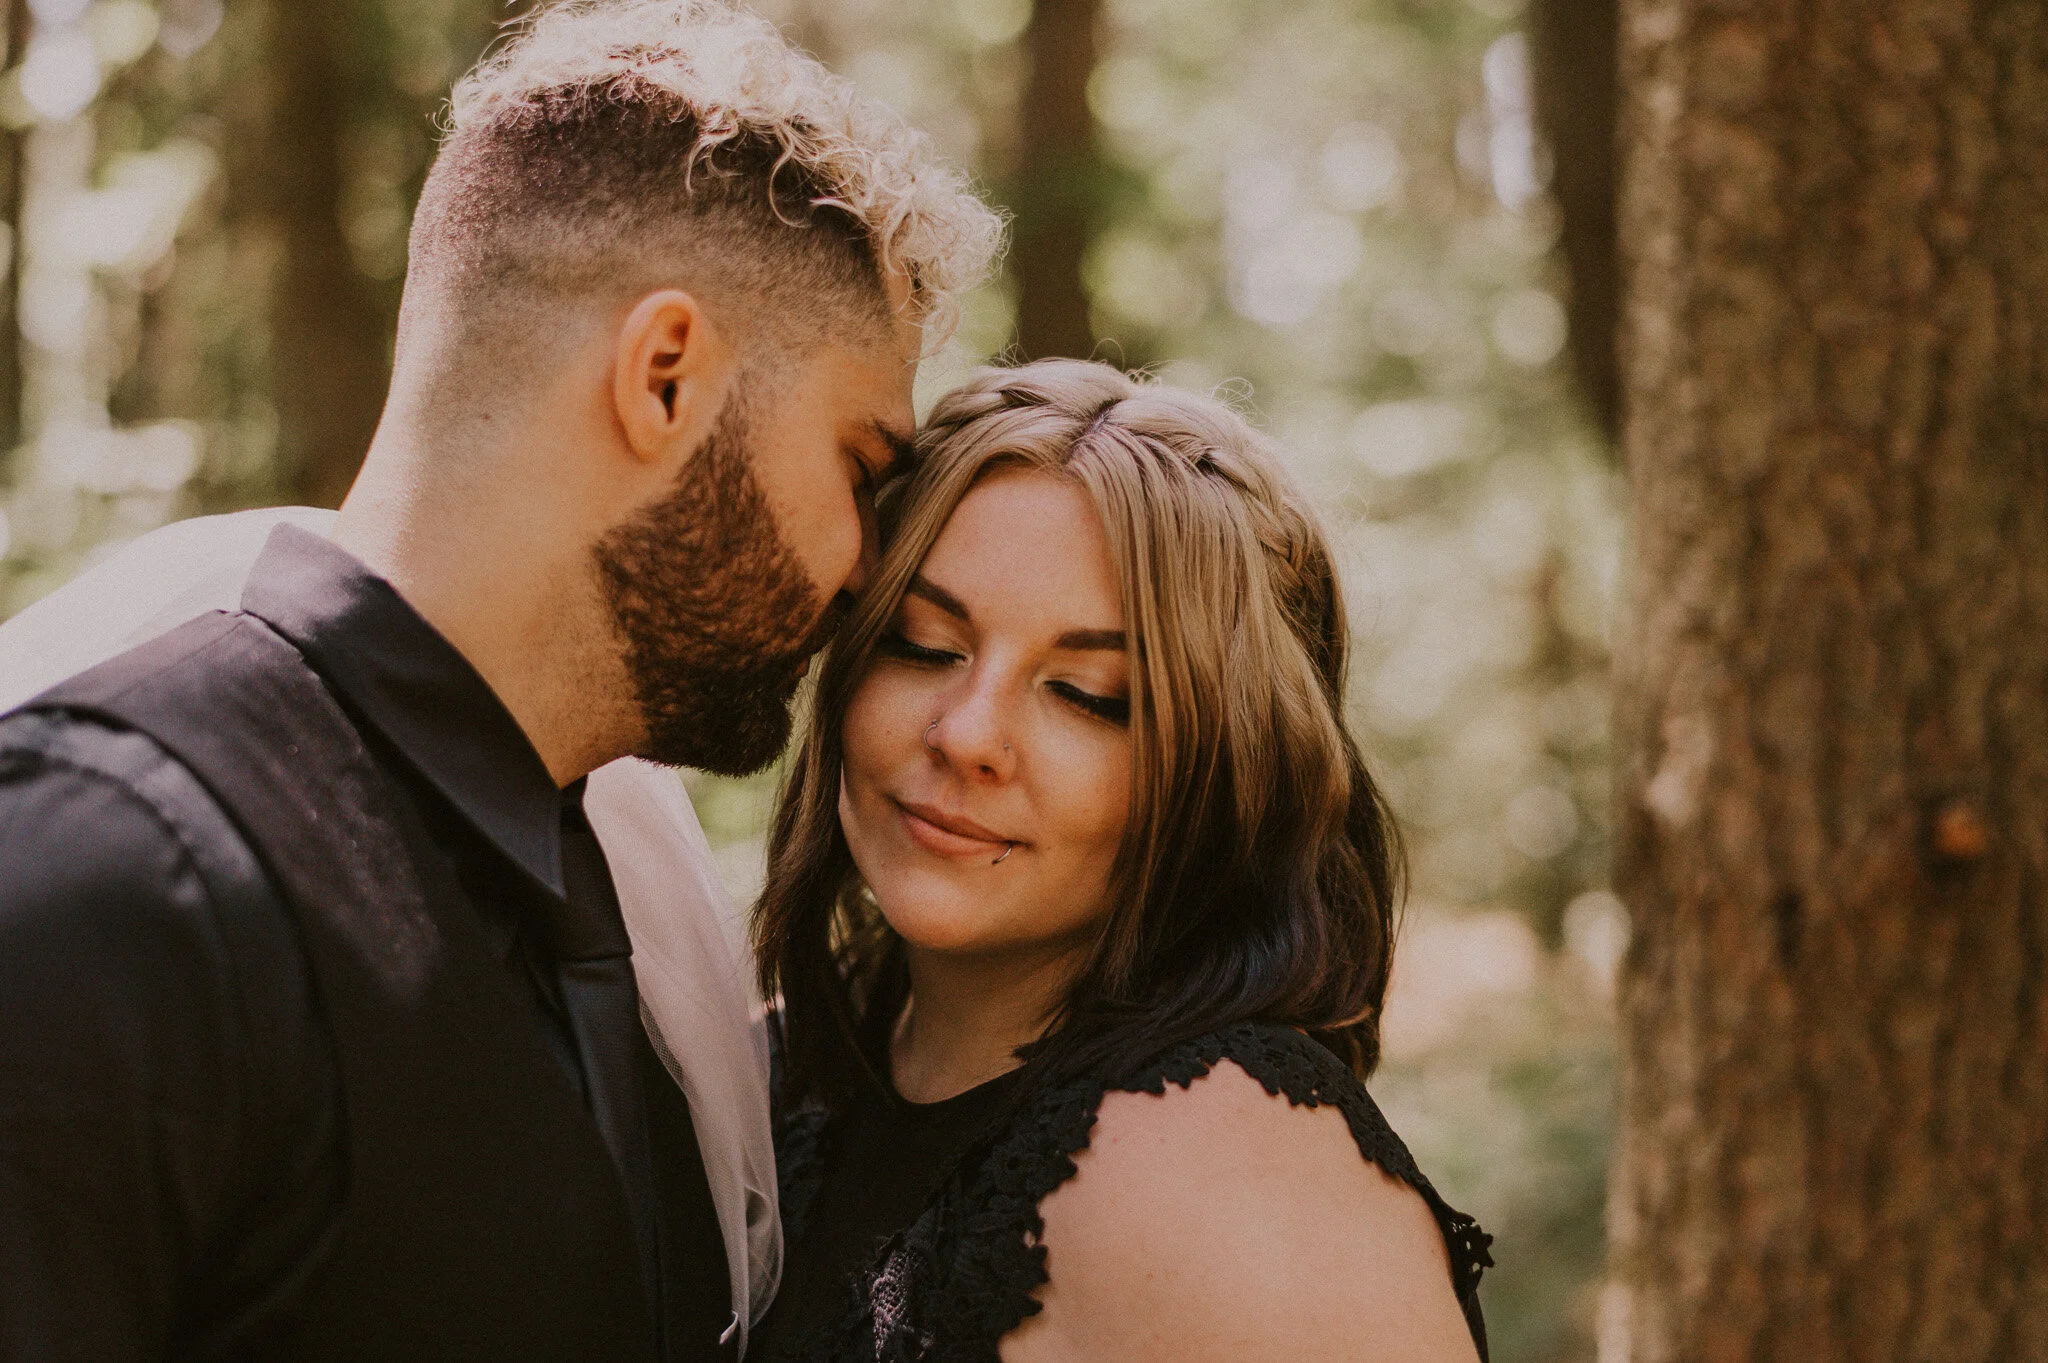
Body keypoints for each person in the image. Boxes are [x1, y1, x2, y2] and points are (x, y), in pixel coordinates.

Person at [0, 2, 1000, 1360]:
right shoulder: (114, 875)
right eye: (862, 470)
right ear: (665, 377)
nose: (867, 565)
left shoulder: (629, 912)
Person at [747, 360, 1493, 1363]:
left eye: (1090, 695)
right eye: (923, 644)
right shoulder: (778, 1073)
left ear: (1226, 773)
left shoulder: (1227, 1176)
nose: (966, 732)